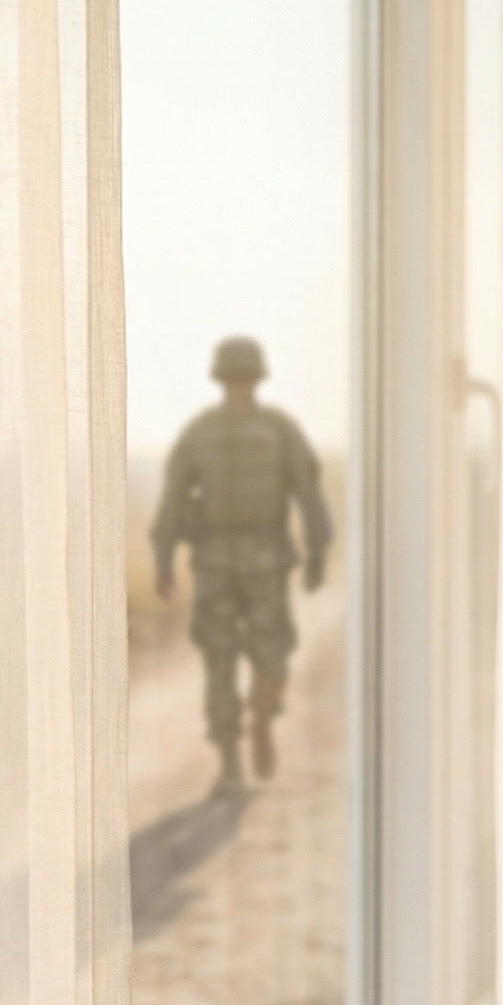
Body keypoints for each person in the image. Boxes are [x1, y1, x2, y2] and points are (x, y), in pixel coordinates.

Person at [150, 336, 333, 795]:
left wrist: (164, 562)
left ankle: (244, 742)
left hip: (234, 565)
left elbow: (171, 505)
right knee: (246, 656)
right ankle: (248, 736)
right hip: (249, 565)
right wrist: (316, 553)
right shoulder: (268, 430)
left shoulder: (213, 432)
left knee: (230, 661)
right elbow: (309, 496)